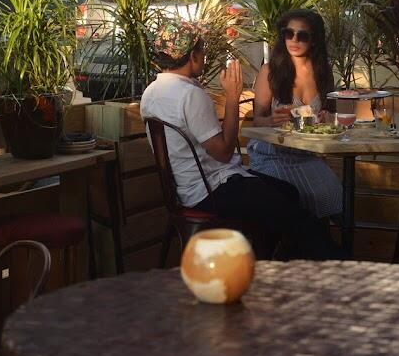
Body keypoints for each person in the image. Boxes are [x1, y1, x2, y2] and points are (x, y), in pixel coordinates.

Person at [139, 19, 341, 260]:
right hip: (211, 191)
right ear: (192, 56)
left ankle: (265, 260)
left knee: (288, 192)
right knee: (302, 220)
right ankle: (335, 267)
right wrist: (233, 97)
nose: (204, 56)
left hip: (187, 188)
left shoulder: (150, 92)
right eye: (202, 50)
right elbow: (224, 152)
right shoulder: (189, 95)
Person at [247, 9, 343, 219]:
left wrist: (327, 118)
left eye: (303, 35)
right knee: (294, 198)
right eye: (289, 33)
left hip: (306, 154)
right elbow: (257, 120)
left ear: (314, 40)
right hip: (272, 153)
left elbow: (329, 115)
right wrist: (271, 120)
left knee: (333, 194)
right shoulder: (270, 71)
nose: (294, 40)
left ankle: (318, 238)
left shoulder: (323, 72)